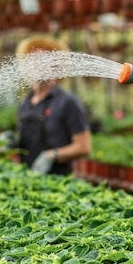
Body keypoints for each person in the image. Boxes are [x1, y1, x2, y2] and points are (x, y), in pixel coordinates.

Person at [14, 35, 92, 175]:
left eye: (45, 59)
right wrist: (11, 142)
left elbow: (84, 147)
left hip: (58, 182)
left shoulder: (68, 102)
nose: (38, 64)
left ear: (57, 66)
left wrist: (53, 155)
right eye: (33, 59)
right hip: (27, 176)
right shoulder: (25, 103)